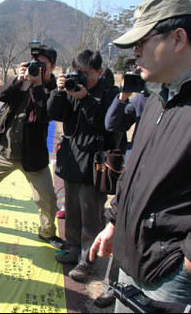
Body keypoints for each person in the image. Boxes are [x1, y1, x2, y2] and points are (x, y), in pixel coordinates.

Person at [89, 0, 191, 312]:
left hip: (177, 276)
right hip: (135, 259)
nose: (134, 53)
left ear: (178, 38)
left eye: (142, 42)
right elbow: (138, 171)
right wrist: (114, 222)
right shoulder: (158, 95)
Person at [0, 43, 64, 250]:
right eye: (35, 63)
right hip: (6, 149)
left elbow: (47, 112)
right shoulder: (23, 80)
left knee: (46, 198)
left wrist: (36, 85)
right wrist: (18, 79)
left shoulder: (54, 89)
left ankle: (47, 233)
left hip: (33, 155)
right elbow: (0, 96)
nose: (37, 68)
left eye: (43, 65)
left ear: (53, 67)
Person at [47, 50, 126, 282]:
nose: (80, 77)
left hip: (95, 165)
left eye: (86, 73)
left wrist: (86, 99)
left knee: (90, 217)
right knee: (72, 211)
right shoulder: (71, 88)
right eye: (77, 72)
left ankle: (86, 260)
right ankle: (72, 249)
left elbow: (108, 125)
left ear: (100, 72)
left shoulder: (111, 93)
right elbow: (53, 112)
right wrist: (59, 91)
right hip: (72, 160)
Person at [95, 74, 148, 308]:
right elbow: (113, 124)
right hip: (135, 178)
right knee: (121, 232)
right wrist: (124, 96)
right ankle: (112, 287)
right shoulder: (146, 98)